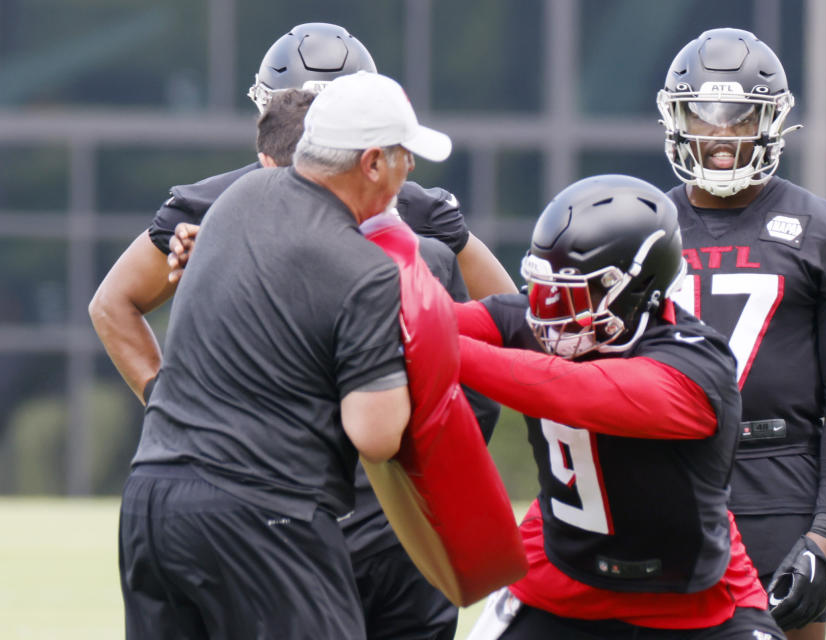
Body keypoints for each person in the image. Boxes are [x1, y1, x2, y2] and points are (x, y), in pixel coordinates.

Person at [118, 71, 453, 638]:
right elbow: (376, 434)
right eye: (402, 155)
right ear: (370, 163)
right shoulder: (366, 270)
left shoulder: (234, 204)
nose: (411, 170)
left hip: (151, 503)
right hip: (263, 515)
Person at [88, 22, 515, 407]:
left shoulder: (417, 209)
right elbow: (113, 304)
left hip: (371, 447)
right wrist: (174, 407)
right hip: (267, 461)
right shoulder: (213, 208)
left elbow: (508, 318)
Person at [456, 174, 784, 639]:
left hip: (696, 604)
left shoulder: (693, 366)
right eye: (545, 285)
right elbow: (417, 320)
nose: (547, 307)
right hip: (561, 587)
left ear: (632, 289)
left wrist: (438, 346)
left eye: (569, 290)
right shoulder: (539, 321)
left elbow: (571, 390)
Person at [657, 28, 826, 638]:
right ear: (677, 119)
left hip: (778, 481)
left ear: (772, 122)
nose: (721, 134)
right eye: (703, 115)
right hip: (659, 474)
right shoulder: (642, 223)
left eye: (739, 117)